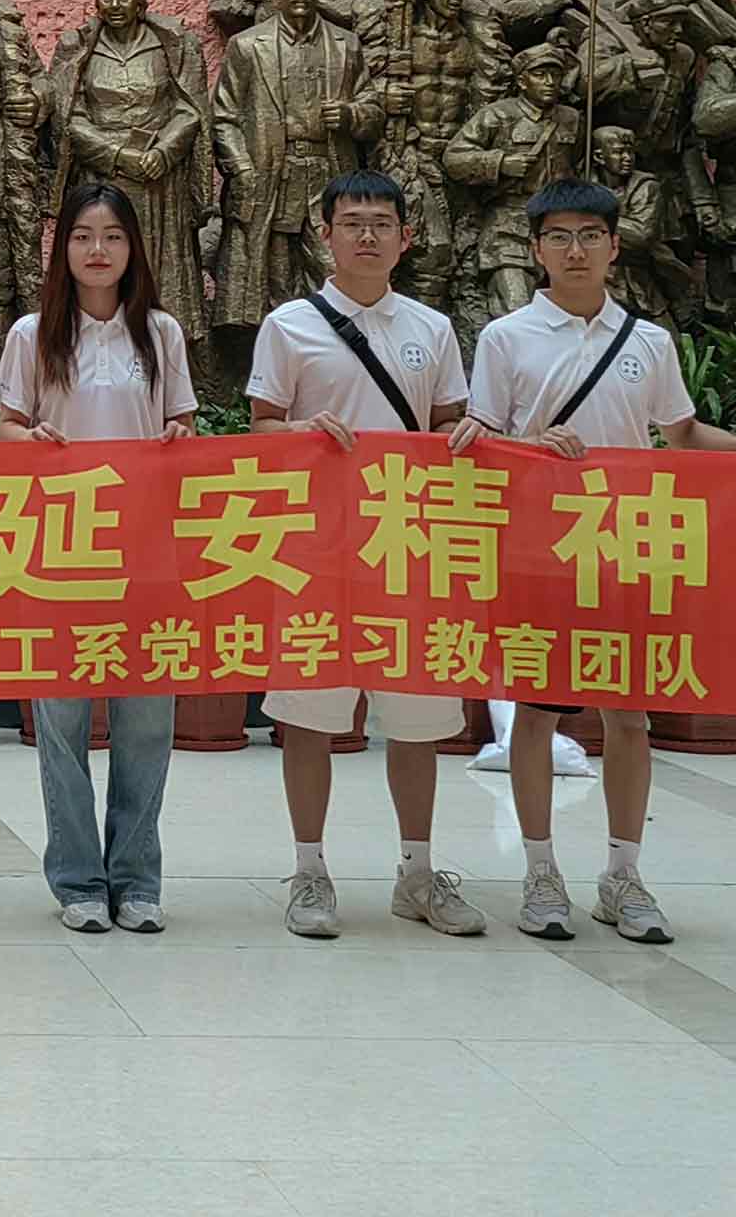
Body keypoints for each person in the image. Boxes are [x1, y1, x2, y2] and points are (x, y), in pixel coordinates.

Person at [453, 177, 736, 947]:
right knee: (537, 712)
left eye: (589, 235)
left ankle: (623, 874)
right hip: (541, 551)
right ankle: (540, 872)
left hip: (627, 548)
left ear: (614, 245)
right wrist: (531, 445)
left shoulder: (648, 341)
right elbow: (476, 442)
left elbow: (682, 434)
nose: (574, 250)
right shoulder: (507, 336)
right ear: (536, 249)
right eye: (558, 236)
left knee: (630, 715)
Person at [247, 171, 486, 942]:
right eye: (352, 222)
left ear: (406, 237)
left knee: (417, 718)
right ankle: (309, 869)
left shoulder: (432, 328)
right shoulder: (289, 325)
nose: (368, 235)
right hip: (315, 549)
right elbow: (259, 428)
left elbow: (447, 425)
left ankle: (417, 871)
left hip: (408, 544)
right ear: (325, 234)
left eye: (383, 222)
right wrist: (302, 432)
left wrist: (464, 434)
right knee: (309, 714)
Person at [0, 184, 197, 934]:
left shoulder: (161, 333)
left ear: (133, 247)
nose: (98, 250)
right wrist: (32, 441)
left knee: (146, 724)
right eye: (83, 236)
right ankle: (78, 879)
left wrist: (177, 440)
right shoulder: (32, 334)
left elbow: (183, 424)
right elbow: (8, 427)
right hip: (58, 551)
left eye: (112, 236)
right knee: (62, 724)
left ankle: (137, 879)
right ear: (63, 249)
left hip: (146, 553)